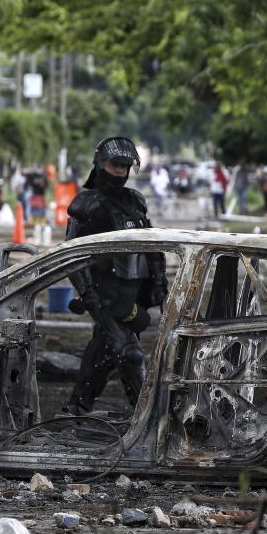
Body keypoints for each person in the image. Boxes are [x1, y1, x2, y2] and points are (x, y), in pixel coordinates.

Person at [64, 136, 168, 415]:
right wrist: (89, 296)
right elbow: (72, 257)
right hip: (104, 294)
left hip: (134, 294)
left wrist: (160, 283)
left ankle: (77, 406)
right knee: (128, 353)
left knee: (105, 349)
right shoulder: (85, 204)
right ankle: (147, 417)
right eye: (114, 165)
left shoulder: (135, 201)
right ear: (99, 164)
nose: (120, 171)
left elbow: (152, 246)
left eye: (125, 166)